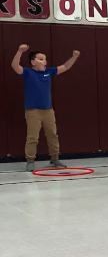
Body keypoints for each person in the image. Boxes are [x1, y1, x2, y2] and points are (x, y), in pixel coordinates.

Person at [11, 44, 79, 172]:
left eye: (45, 59)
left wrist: (74, 57)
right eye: (41, 59)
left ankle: (54, 158)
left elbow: (65, 66)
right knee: (33, 137)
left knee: (52, 134)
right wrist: (20, 51)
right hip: (32, 111)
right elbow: (15, 66)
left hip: (48, 110)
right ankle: (30, 160)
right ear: (33, 62)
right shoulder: (27, 73)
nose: (45, 61)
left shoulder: (49, 72)